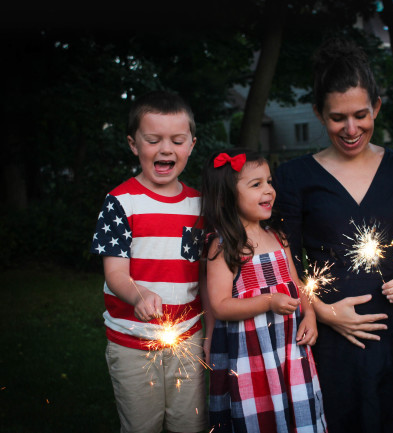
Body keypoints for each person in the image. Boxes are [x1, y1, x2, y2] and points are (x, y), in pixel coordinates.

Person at [274, 38, 393, 433]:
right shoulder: (293, 178)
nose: (351, 129)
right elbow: (284, 260)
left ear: (377, 108)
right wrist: (324, 313)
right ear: (318, 114)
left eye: (361, 115)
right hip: (331, 344)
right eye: (337, 118)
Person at [90, 90, 207, 433]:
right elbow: (114, 272)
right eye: (153, 140)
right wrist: (137, 295)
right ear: (133, 144)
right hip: (132, 341)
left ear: (191, 145)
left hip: (188, 338)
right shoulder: (120, 202)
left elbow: (200, 270)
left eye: (177, 140)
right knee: (143, 426)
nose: (165, 149)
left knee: (190, 424)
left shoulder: (200, 205)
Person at [201, 149, 326, 433]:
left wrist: (310, 316)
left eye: (269, 182)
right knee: (260, 417)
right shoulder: (225, 246)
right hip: (252, 355)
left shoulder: (277, 237)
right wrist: (268, 301)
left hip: (289, 351)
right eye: (256, 184)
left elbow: (297, 284)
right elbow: (220, 305)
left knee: (298, 410)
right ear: (228, 195)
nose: (269, 190)